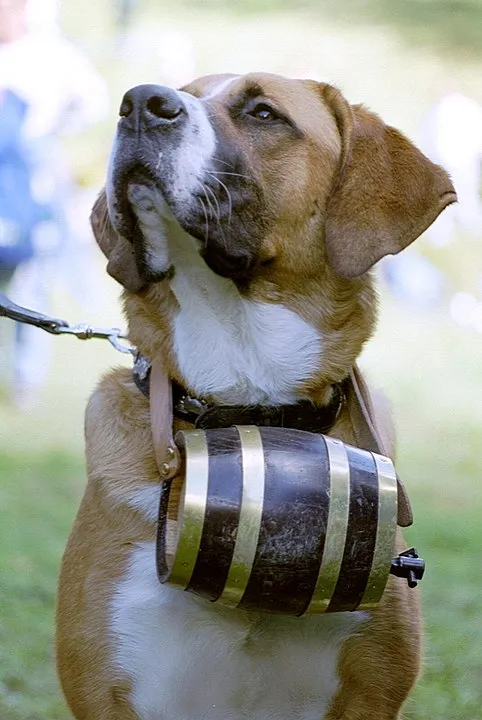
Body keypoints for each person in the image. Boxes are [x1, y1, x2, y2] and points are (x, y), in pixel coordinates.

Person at [0, 0, 108, 407]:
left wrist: (51, 133)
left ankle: (24, 381)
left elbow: (91, 99)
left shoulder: (48, 53)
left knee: (30, 284)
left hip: (30, 183)